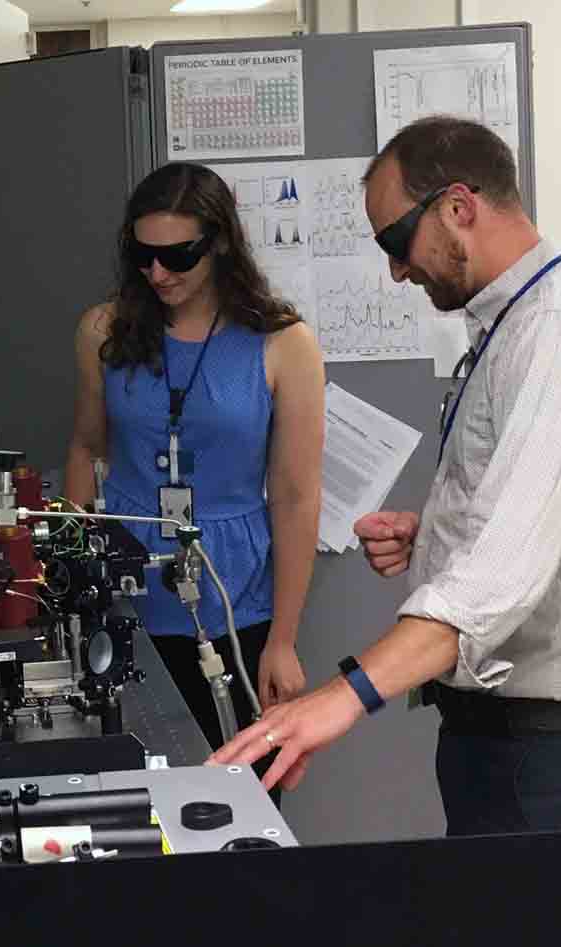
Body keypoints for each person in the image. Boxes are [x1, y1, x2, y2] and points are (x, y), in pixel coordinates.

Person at [210, 116, 561, 836]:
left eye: (396, 242)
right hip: (495, 731)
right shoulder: (511, 325)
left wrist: (340, 696)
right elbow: (541, 508)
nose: (396, 270)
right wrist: (434, 533)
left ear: (458, 207)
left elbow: (500, 576)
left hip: (553, 749)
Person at [64, 162, 325, 760]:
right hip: (128, 590)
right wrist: (74, 588)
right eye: (142, 255)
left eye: (178, 256)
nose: (157, 272)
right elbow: (85, 448)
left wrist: (282, 641)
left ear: (221, 244)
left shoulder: (284, 344)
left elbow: (295, 494)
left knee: (240, 790)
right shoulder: (103, 331)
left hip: (238, 601)